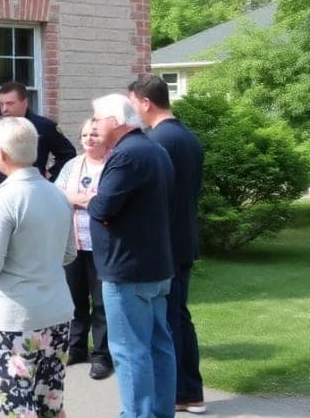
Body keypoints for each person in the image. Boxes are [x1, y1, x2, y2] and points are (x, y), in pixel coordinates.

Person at [0, 116, 77, 418]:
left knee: (17, 407)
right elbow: (69, 253)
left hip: (17, 319)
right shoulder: (58, 194)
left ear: (1, 154)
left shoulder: (3, 198)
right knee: (51, 403)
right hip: (57, 312)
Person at [86, 93, 177, 418]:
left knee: (129, 350)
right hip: (155, 265)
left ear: (117, 121)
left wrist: (91, 199)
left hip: (128, 270)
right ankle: (160, 412)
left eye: (97, 118)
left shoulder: (127, 155)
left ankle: (138, 414)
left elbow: (103, 207)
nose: (94, 126)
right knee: (158, 346)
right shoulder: (155, 149)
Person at [128, 75, 206, 415]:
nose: (133, 111)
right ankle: (190, 391)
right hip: (185, 238)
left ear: (145, 102)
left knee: (167, 322)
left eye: (133, 103)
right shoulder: (188, 137)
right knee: (179, 317)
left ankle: (177, 393)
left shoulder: (158, 141)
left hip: (167, 245)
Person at [55, 118, 113, 380]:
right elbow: (58, 194)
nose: (89, 138)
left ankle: (101, 356)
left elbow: (109, 200)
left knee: (101, 302)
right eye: (85, 134)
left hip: (103, 246)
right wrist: (85, 200)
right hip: (73, 243)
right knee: (75, 299)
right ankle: (76, 347)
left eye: (95, 134)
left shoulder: (113, 164)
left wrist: (79, 200)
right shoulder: (72, 165)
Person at [0, 82, 76, 192]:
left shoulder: (43, 126)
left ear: (25, 103)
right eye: (1, 104)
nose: (4, 109)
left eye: (10, 103)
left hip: (33, 189)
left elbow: (68, 154)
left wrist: (51, 175)